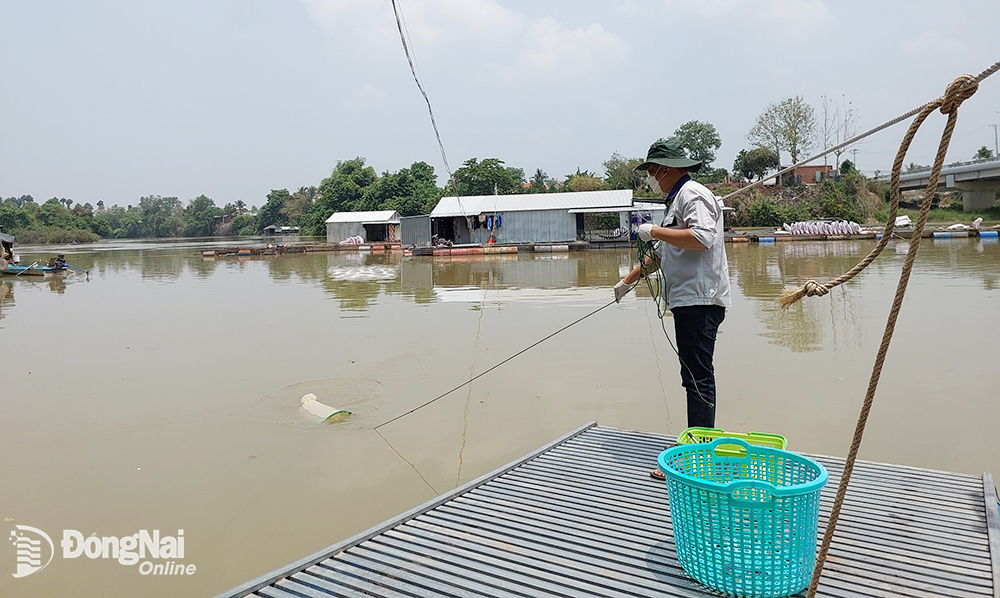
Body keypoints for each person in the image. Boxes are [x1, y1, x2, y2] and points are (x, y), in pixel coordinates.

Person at [613, 138, 732, 480]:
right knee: (693, 377)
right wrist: (629, 280)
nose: (650, 178)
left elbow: (701, 238)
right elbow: (662, 254)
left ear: (666, 169)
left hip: (700, 298)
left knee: (698, 378)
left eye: (651, 171)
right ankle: (697, 448)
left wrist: (654, 230)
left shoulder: (692, 194)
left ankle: (699, 459)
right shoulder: (676, 200)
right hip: (687, 299)